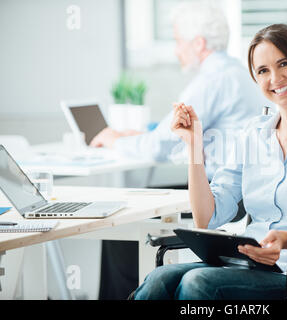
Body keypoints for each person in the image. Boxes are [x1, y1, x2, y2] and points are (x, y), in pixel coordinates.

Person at [132, 23, 287, 300]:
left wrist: (286, 239)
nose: (275, 78)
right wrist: (195, 146)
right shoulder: (253, 134)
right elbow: (208, 217)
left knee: (198, 283)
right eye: (263, 71)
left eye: (283, 63)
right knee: (159, 279)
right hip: (250, 267)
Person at [96, 1, 270, 300]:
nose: (176, 51)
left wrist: (115, 140)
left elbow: (162, 145)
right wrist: (141, 132)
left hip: (224, 195)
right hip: (236, 191)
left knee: (121, 220)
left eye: (179, 41)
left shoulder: (211, 80)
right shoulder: (238, 73)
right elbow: (168, 133)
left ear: (199, 43)